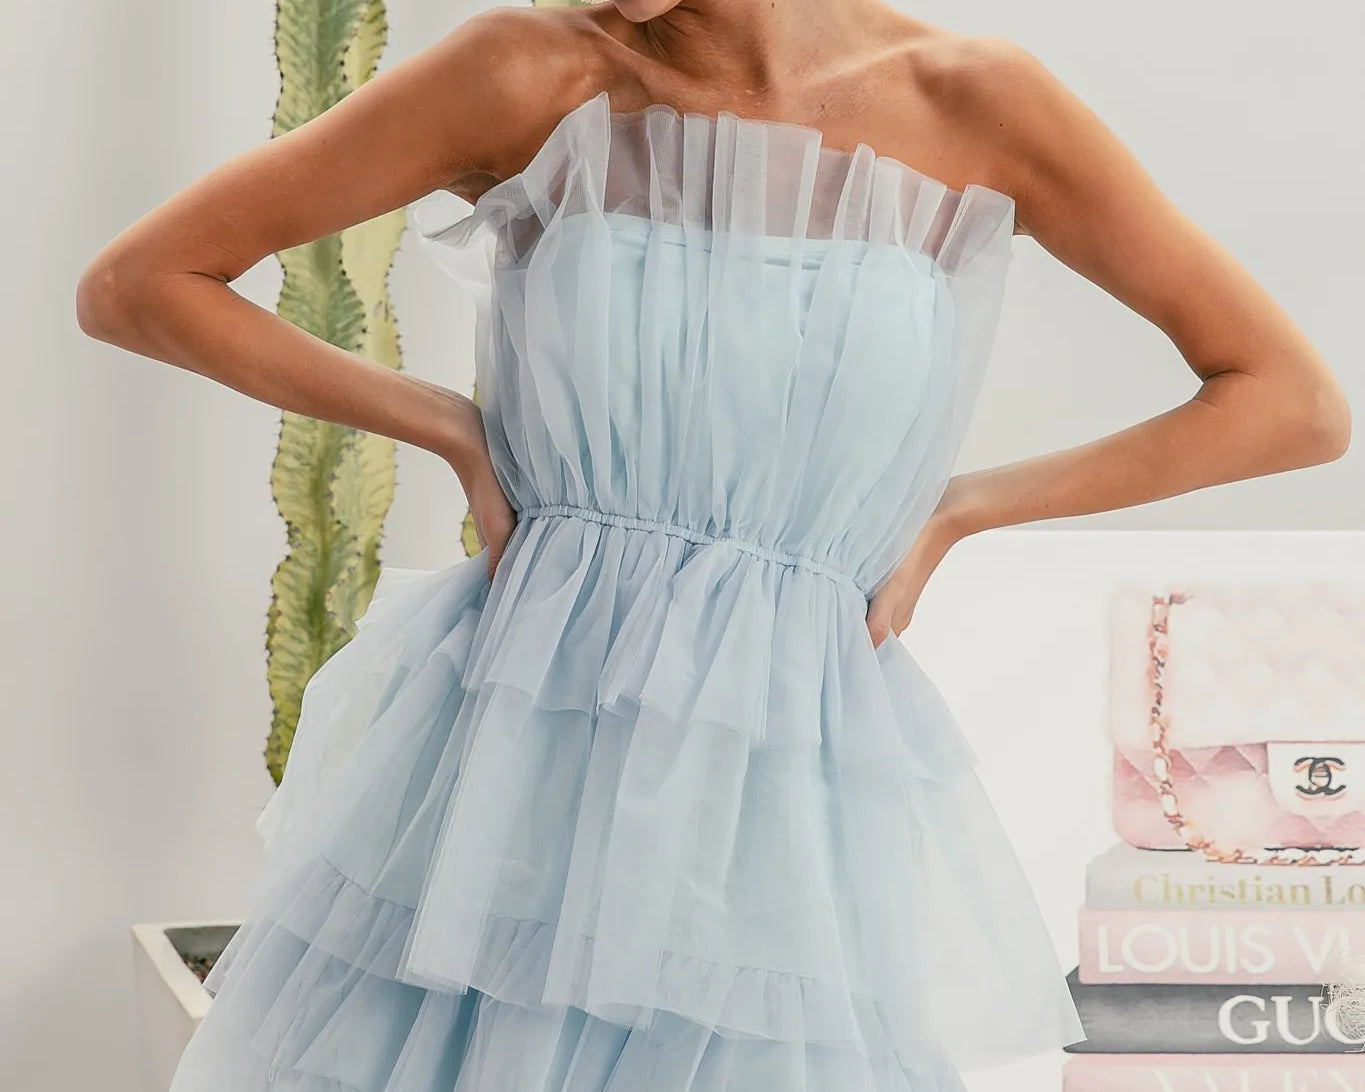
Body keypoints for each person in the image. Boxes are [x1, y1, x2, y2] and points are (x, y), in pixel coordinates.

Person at [76, 1, 1352, 1090]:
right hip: (511, 755)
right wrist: (452, 428)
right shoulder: (528, 73)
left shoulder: (980, 103)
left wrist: (959, 510)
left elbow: (1287, 402)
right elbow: (143, 283)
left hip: (782, 781)